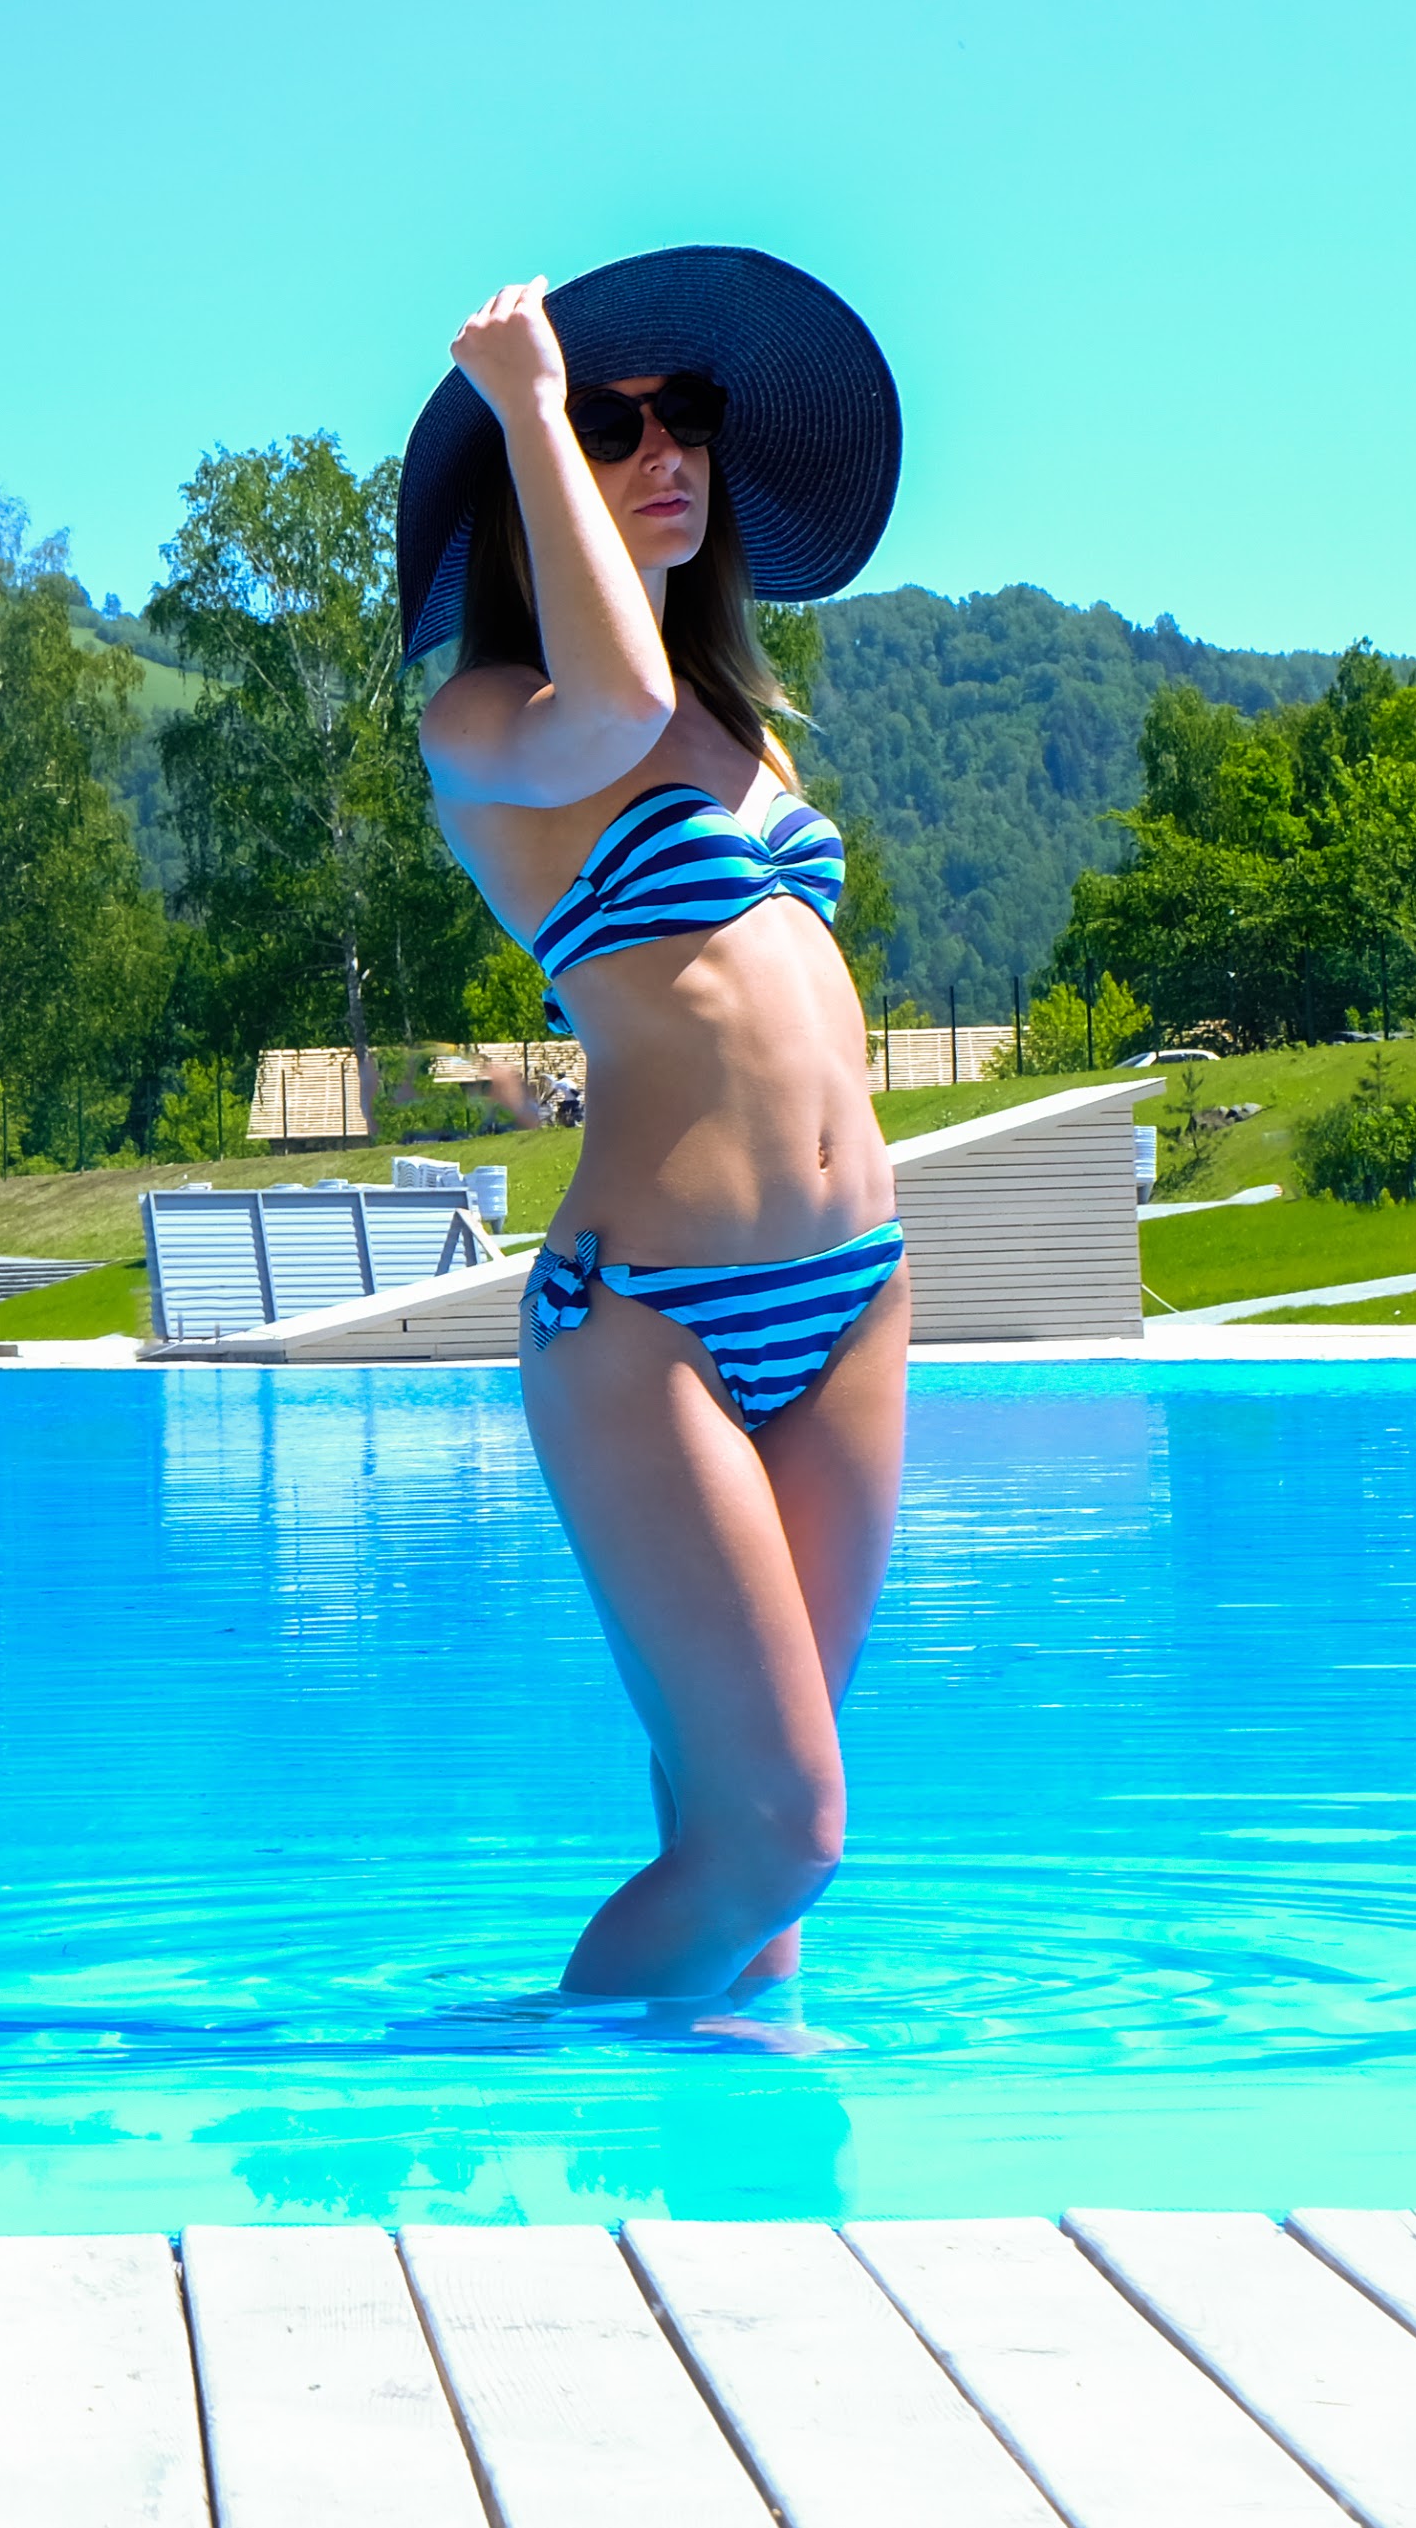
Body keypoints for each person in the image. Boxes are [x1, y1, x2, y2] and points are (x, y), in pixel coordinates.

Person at [397, 246, 908, 2001]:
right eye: (613, 428)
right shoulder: (492, 723)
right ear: (533, 475)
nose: (663, 448)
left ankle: (728, 2138)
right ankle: (538, 2090)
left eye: (682, 415)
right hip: (650, 1323)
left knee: (740, 1837)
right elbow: (602, 701)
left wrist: (559, 417)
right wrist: (526, 397)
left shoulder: (736, 724)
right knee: (783, 1829)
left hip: (850, 1298)